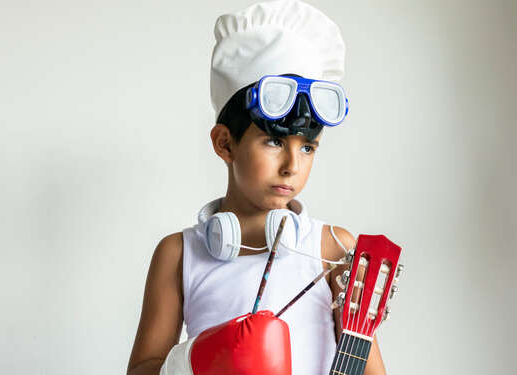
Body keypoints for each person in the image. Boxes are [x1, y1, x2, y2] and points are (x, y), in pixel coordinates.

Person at [127, 1, 387, 374]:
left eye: (308, 147)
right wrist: (200, 358)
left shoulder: (334, 248)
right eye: (273, 142)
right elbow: (141, 369)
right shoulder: (179, 254)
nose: (292, 166)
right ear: (225, 143)